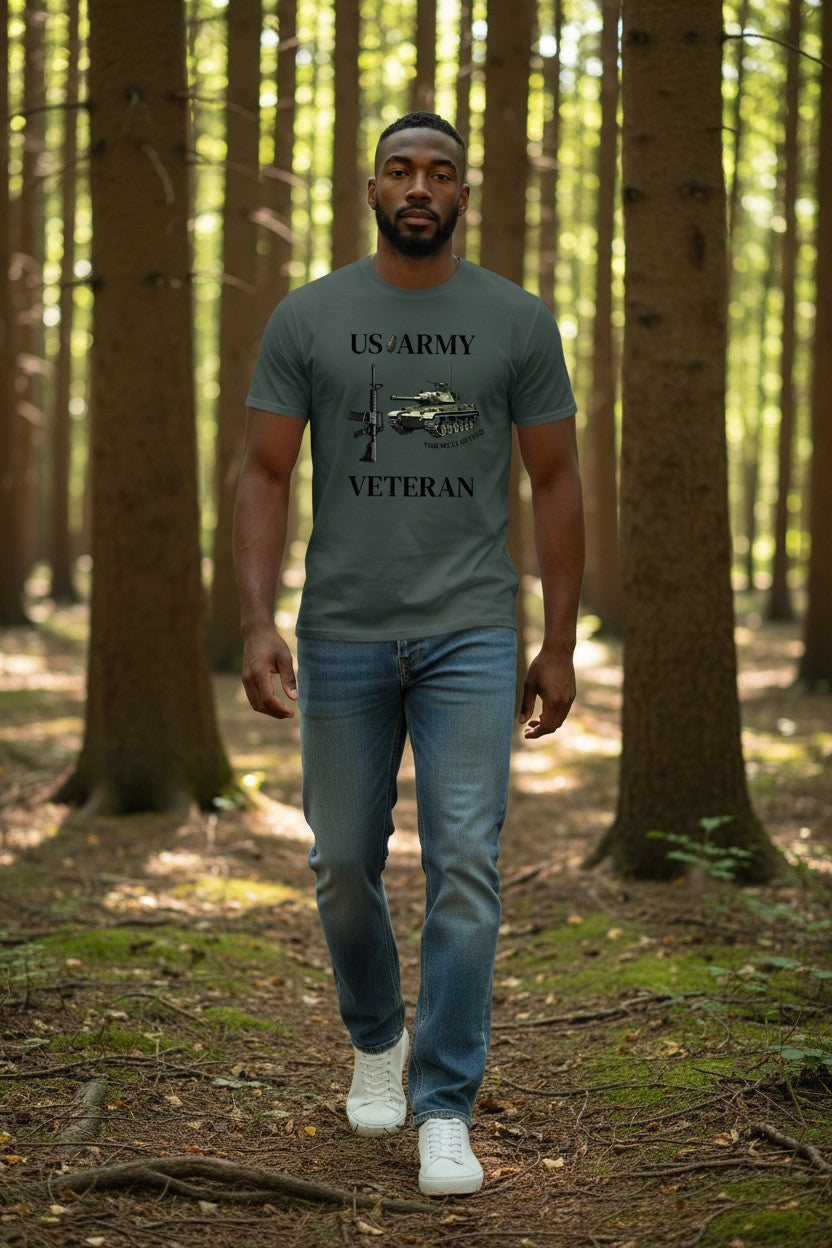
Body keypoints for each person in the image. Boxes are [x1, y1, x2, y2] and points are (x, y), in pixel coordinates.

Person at [234, 112, 584, 1197]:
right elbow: (261, 472)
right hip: (340, 629)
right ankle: (376, 1037)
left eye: (440, 172)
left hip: (472, 635)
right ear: (372, 189)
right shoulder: (311, 315)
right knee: (341, 862)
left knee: (464, 869)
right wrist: (255, 619)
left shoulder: (514, 320)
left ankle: (443, 1103)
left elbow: (557, 480)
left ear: (462, 196)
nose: (419, 186)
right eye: (402, 170)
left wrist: (559, 640)